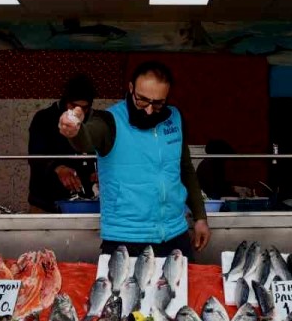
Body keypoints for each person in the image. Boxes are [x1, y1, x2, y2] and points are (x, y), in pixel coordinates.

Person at [58, 61, 210, 257]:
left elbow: (185, 169)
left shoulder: (174, 119)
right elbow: (86, 139)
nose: (148, 109)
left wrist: (200, 217)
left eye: (157, 103)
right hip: (125, 240)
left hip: (174, 235)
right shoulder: (109, 121)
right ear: (131, 89)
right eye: (142, 100)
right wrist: (74, 130)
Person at [27, 74, 98, 213]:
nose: (79, 112)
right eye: (74, 106)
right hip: (45, 203)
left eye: (85, 108)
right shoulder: (43, 119)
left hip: (84, 204)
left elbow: (105, 153)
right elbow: (35, 156)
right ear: (65, 101)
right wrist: (58, 167)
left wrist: (100, 172)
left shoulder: (95, 122)